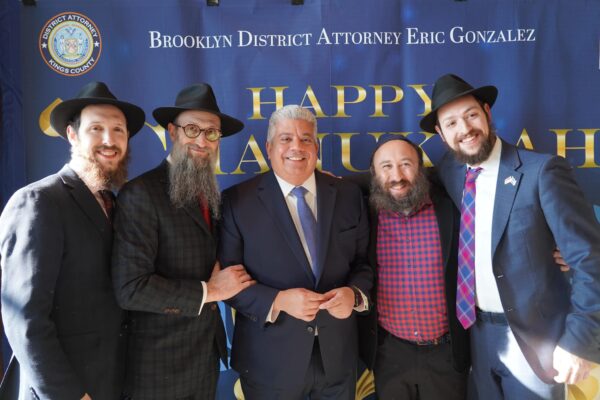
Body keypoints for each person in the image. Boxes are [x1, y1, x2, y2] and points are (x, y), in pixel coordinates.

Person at [421, 73, 600, 399]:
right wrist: (337, 184)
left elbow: (590, 259)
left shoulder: (542, 172)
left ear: (487, 113)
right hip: (475, 336)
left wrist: (580, 341)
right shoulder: (450, 171)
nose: (464, 130)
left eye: (471, 115)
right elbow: (399, 181)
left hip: (536, 341)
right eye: (451, 124)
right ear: (441, 134)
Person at [0, 81, 145, 399]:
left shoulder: (117, 206)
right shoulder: (39, 201)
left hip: (113, 386)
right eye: (96, 128)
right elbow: (24, 319)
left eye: (118, 130)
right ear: (71, 135)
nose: (110, 140)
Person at [111, 83, 255, 400]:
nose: (202, 140)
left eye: (212, 133)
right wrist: (212, 290)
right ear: (173, 133)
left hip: (203, 360)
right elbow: (130, 289)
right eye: (192, 129)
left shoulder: (212, 194)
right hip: (158, 368)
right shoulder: (141, 194)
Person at [219, 105, 373, 400]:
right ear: (269, 147)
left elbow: (364, 264)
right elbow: (228, 286)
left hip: (338, 361)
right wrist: (278, 300)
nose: (296, 147)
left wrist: (354, 295)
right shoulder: (237, 202)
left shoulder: (349, 196)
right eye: (285, 138)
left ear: (316, 147)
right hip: (269, 364)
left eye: (306, 139)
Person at [355, 137, 469, 400]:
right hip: (390, 353)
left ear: (422, 169)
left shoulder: (451, 206)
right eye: (386, 167)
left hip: (447, 353)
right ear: (373, 174)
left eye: (406, 164)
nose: (397, 176)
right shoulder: (364, 212)